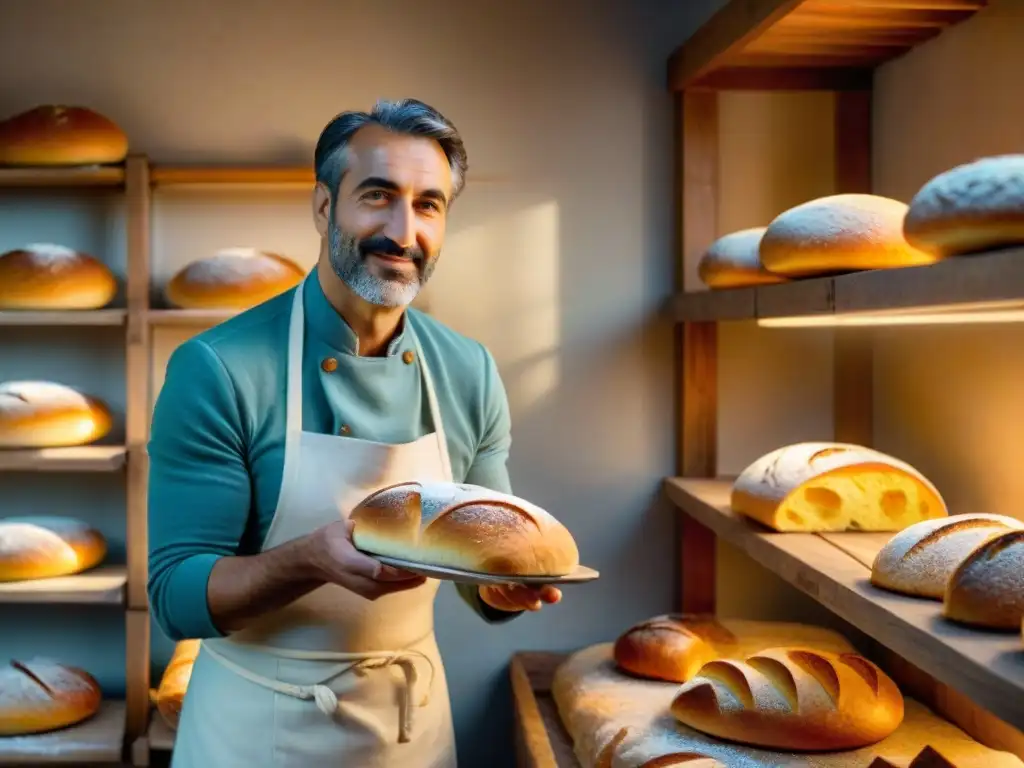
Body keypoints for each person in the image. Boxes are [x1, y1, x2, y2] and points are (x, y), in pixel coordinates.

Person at [146, 98, 562, 768]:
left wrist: (500, 587)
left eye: (429, 204)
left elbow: (479, 554)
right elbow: (178, 597)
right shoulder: (218, 369)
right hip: (254, 735)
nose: (404, 230)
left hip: (410, 732)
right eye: (378, 196)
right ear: (322, 206)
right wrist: (308, 560)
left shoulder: (467, 370)